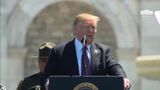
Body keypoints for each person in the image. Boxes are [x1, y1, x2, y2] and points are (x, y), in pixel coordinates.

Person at [41, 13, 131, 90]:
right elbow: (46, 77)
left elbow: (115, 67)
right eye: (87, 27)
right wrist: (48, 83)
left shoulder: (103, 51)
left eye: (93, 27)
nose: (91, 30)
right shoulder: (59, 51)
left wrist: (123, 79)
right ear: (75, 30)